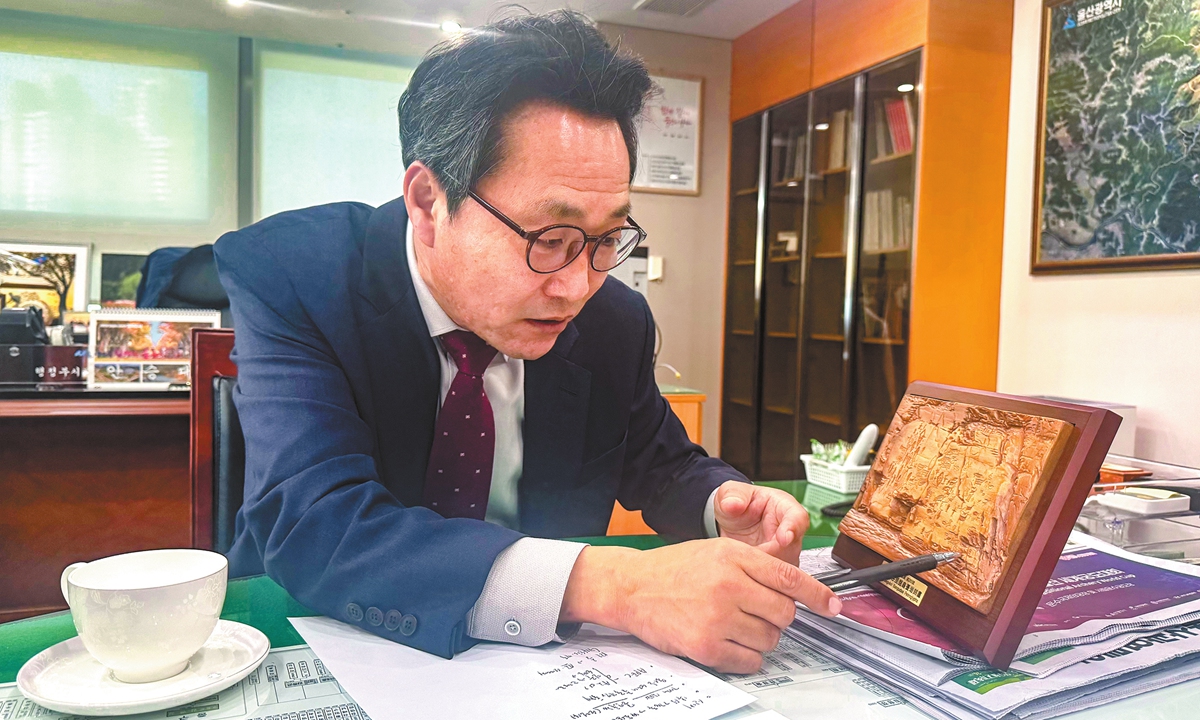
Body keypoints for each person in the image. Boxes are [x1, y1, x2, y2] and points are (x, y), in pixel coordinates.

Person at [214, 10, 840, 674]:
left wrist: (727, 507)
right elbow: (314, 524)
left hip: (542, 669)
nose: (577, 286)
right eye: (548, 238)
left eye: (607, 238)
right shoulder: (298, 276)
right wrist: (617, 586)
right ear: (428, 202)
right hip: (316, 638)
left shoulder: (614, 319)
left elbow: (662, 464)